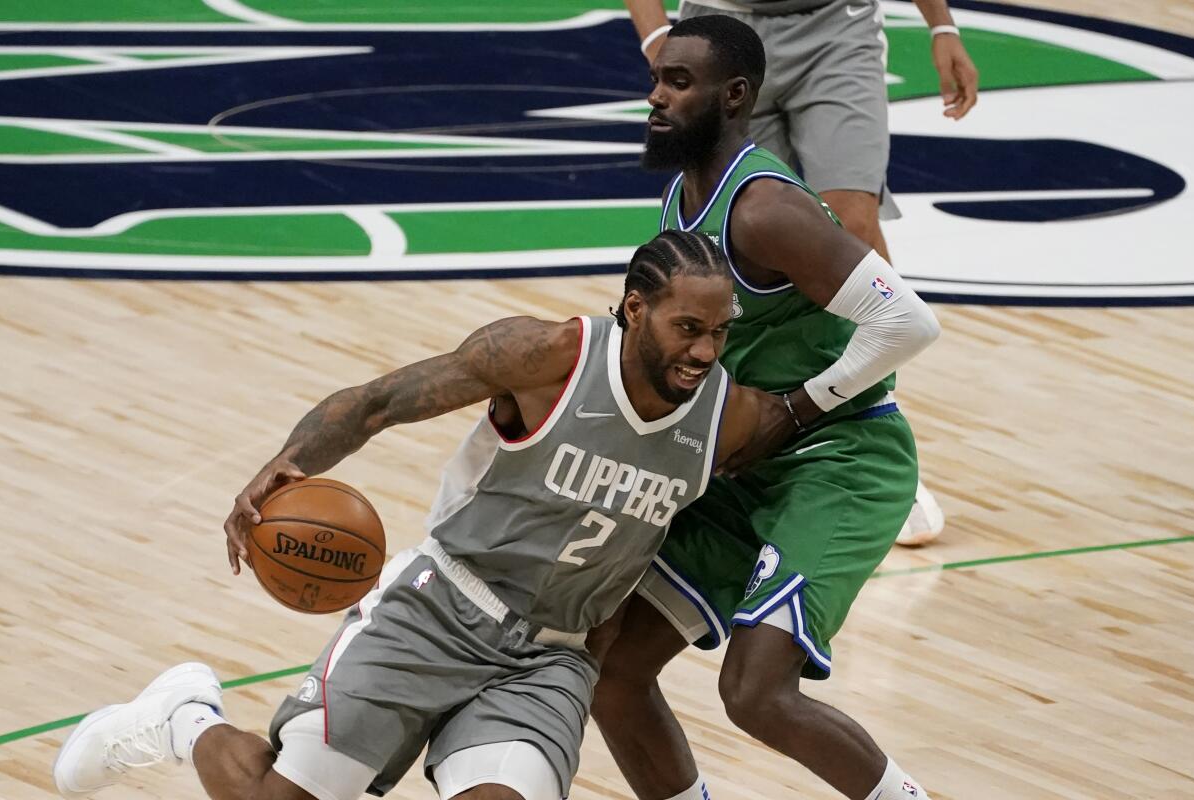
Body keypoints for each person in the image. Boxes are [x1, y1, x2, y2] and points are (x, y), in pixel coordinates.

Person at [51, 230, 788, 800]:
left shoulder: (726, 418)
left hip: (550, 657)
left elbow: (828, 430)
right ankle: (184, 717)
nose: (704, 351)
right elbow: (378, 402)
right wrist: (288, 462)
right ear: (635, 309)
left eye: (720, 332)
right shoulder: (546, 358)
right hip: (438, 609)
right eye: (688, 328)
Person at [591, 16, 942, 800]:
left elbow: (909, 322)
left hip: (837, 459)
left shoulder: (764, 210)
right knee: (612, 671)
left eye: (678, 83)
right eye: (657, 80)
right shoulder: (685, 195)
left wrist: (794, 408)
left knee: (755, 693)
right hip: (741, 462)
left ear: (736, 96)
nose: (655, 97)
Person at [626, 0, 978, 546]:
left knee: (849, 227)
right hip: (726, 26)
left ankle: (863, 431)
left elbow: (911, 320)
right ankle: (738, 436)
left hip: (837, 24)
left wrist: (942, 24)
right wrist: (659, 43)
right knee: (739, 256)